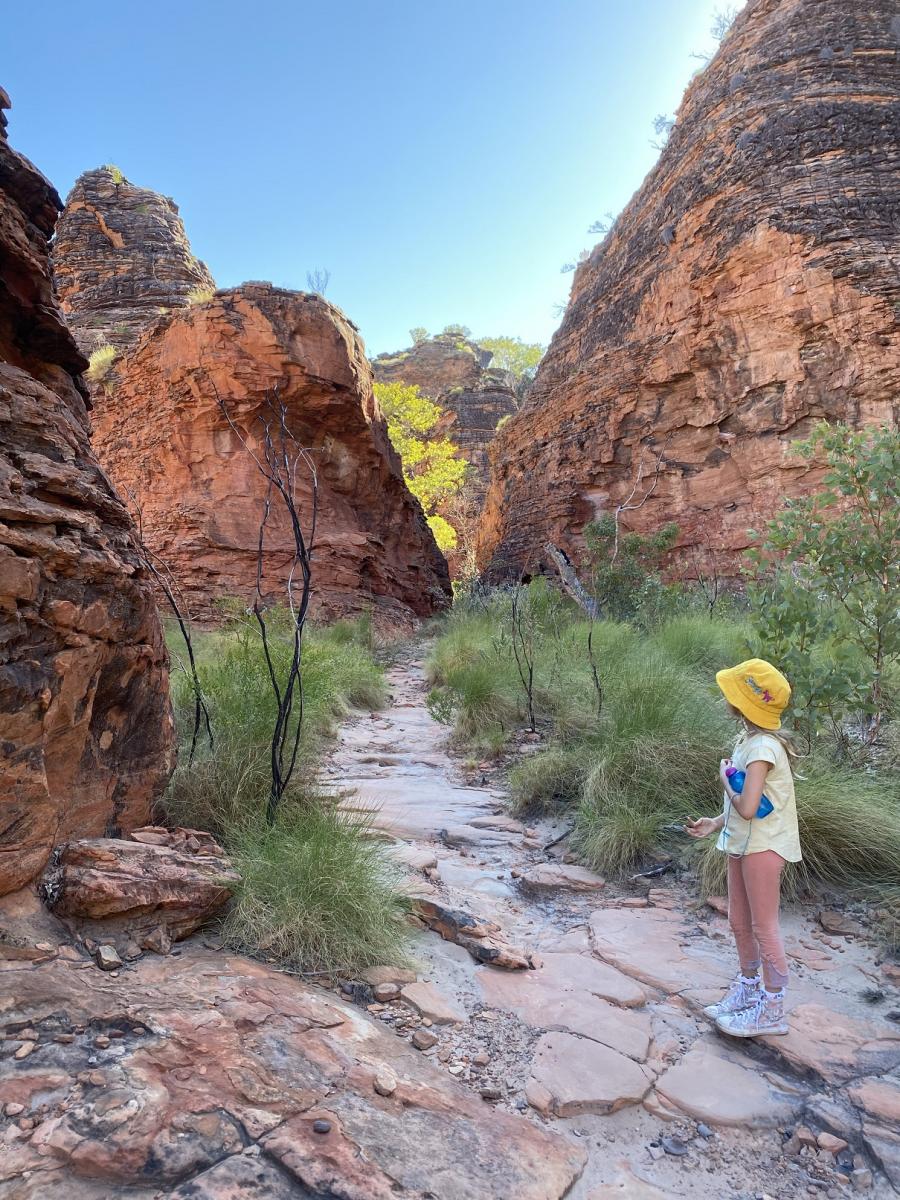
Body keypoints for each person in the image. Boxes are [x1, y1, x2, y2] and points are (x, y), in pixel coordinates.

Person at [686, 658, 801, 1038]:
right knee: (738, 921)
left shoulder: (764, 748)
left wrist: (724, 780)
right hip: (741, 841)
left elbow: (749, 807)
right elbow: (746, 806)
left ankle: (772, 1007)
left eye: (733, 693)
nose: (726, 698)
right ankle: (749, 988)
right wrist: (714, 822)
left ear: (746, 704)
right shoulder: (749, 741)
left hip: (764, 847)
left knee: (763, 925)